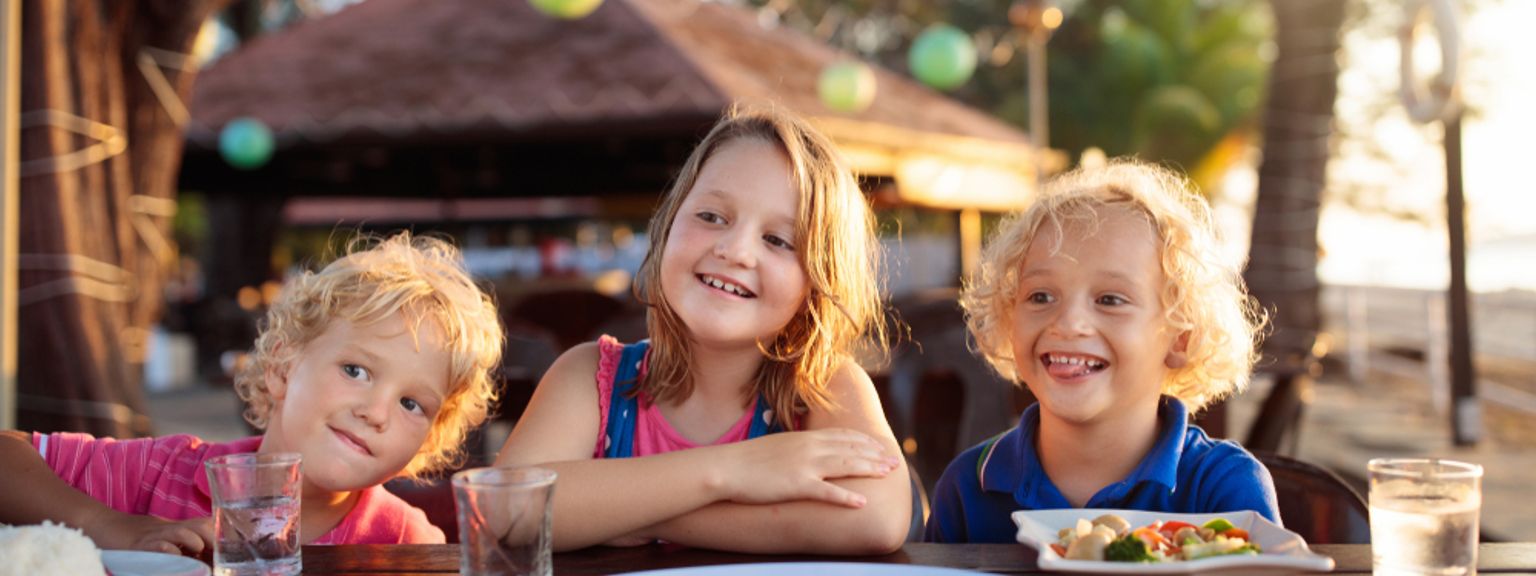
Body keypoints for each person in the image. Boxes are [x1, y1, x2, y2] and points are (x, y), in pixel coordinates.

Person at [497, 106, 910, 555]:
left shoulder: (821, 389)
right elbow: (508, 508)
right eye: (712, 217)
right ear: (667, 224)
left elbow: (878, 517)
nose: (735, 251)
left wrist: (637, 513)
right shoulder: (590, 376)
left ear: (818, 281)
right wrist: (732, 470)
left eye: (777, 240)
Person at [0, 232, 504, 554]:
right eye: (355, 370)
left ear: (428, 439)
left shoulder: (404, 543)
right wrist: (109, 526)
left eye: (411, 404)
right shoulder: (163, 475)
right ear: (283, 367)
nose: (376, 412)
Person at [925, 160, 1279, 543]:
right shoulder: (967, 486)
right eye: (1041, 296)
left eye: (1110, 299)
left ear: (1181, 338)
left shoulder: (1224, 486)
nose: (1068, 323)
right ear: (1010, 320)